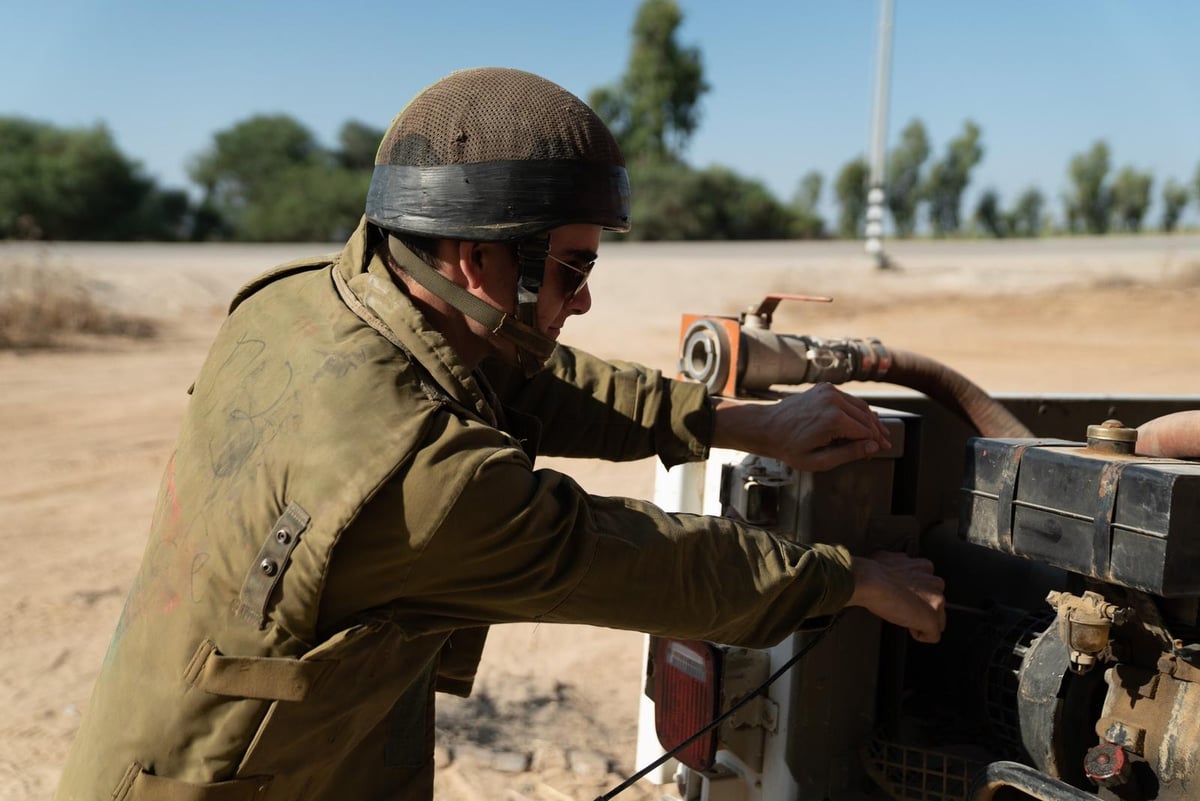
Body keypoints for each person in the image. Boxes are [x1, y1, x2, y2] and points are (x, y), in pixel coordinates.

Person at [55, 67, 944, 801]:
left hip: (159, 751)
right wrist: (853, 578)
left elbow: (529, 381)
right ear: (478, 261)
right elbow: (635, 559)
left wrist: (731, 421)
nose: (585, 299)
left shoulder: (299, 304)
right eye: (572, 268)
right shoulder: (424, 479)